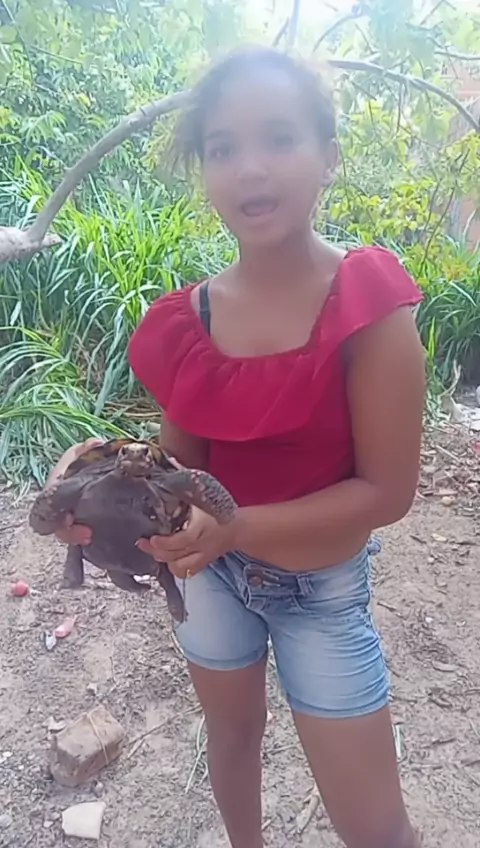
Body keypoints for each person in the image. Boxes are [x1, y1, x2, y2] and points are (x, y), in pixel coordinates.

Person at [52, 47, 425, 848]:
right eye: (223, 148)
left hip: (320, 592)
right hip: (211, 582)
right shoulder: (191, 321)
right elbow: (179, 475)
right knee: (231, 738)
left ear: (329, 156)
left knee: (378, 830)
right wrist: (95, 483)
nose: (251, 167)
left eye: (279, 138)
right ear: (205, 171)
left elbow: (387, 492)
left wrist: (238, 527)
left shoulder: (368, 304)